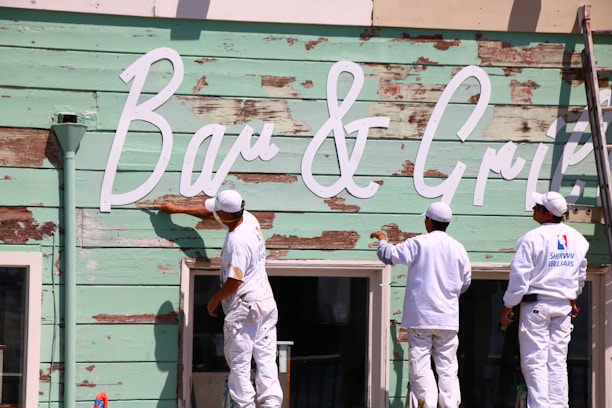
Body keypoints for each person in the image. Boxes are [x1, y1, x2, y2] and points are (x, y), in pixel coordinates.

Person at [158, 190, 283, 408]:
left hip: (245, 307)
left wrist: (214, 300)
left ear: (225, 215)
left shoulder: (237, 242)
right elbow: (207, 212)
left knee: (240, 363)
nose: (214, 213)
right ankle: (271, 404)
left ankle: (245, 406)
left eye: (218, 211)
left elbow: (234, 282)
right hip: (265, 302)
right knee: (266, 359)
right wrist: (176, 209)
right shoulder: (248, 218)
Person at [370, 201, 471, 408]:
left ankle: (427, 405)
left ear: (429, 221)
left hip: (421, 318)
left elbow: (388, 256)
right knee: (448, 368)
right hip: (448, 320)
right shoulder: (459, 248)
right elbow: (465, 283)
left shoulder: (419, 243)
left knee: (421, 368)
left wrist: (382, 239)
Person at [499, 191, 588, 407]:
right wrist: (573, 299)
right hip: (563, 306)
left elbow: (519, 278)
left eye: (537, 207)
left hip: (537, 306)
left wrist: (508, 307)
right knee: (557, 360)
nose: (533, 209)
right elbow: (580, 275)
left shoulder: (531, 239)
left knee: (534, 361)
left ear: (548, 214)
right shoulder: (578, 239)